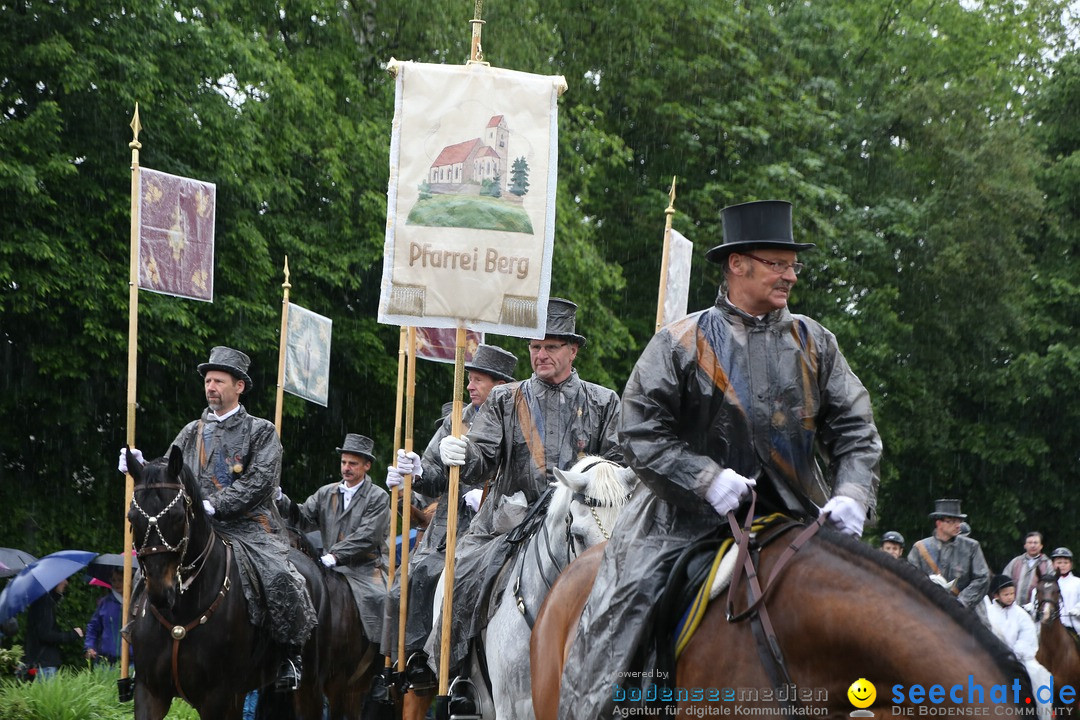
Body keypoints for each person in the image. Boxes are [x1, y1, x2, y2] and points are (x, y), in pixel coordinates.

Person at [558, 199, 883, 718]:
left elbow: (856, 430)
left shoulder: (816, 342)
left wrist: (851, 493)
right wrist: (704, 479)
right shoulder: (680, 341)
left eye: (792, 264)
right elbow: (640, 432)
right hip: (679, 521)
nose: (790, 276)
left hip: (797, 516)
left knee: (879, 601)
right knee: (624, 606)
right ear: (738, 264)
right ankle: (595, 710)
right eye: (778, 263)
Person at [416, 298, 622, 687]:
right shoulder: (504, 399)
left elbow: (617, 466)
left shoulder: (603, 401)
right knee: (458, 579)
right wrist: (461, 453)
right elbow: (481, 458)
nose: (540, 355)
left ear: (573, 350)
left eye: (551, 347)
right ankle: (456, 679)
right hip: (505, 526)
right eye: (534, 347)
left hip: (579, 525)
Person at [119, 346, 316, 690]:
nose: (211, 387)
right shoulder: (191, 431)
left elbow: (261, 480)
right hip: (194, 526)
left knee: (281, 575)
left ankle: (289, 653)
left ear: (239, 386)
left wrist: (218, 504)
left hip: (250, 526)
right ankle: (142, 643)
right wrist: (140, 467)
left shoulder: (261, 431)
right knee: (151, 561)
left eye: (218, 381)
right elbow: (168, 475)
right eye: (208, 380)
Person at [383, 343, 519, 689]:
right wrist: (416, 471)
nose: (469, 387)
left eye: (477, 380)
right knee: (408, 581)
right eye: (469, 379)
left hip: (501, 523)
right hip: (449, 527)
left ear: (500, 384)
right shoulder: (457, 419)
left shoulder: (519, 415)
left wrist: (493, 493)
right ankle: (414, 658)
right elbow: (434, 475)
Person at [278, 433, 390, 653]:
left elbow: (368, 536)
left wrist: (336, 555)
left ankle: (380, 669)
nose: (346, 468)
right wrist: (282, 501)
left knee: (383, 600)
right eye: (344, 462)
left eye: (353, 463)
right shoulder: (326, 492)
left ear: (367, 466)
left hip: (365, 568)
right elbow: (302, 518)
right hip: (330, 567)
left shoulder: (378, 497)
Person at [909, 499, 991, 625]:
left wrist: (960, 603)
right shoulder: (920, 548)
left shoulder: (971, 547)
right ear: (939, 523)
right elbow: (910, 579)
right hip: (928, 612)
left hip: (965, 614)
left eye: (959, 521)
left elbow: (982, 578)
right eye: (952, 521)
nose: (958, 525)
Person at [984, 574, 1052, 718]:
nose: (1010, 597)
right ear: (996, 595)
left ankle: (1042, 713)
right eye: (1006, 594)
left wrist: (1013, 654)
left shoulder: (1021, 614)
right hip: (993, 658)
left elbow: (1028, 637)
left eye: (1012, 593)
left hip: (1018, 658)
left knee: (1039, 676)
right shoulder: (988, 614)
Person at [24, 577, 82, 680]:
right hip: (44, 665)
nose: (66, 583)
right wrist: (72, 635)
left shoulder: (45, 601)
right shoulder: (44, 603)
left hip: (42, 663)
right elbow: (45, 634)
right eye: (64, 579)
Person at [1003, 531, 1052, 611]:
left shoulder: (1047, 564)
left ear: (1041, 546)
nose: (1033, 545)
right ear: (1025, 545)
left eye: (1035, 543)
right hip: (1014, 609)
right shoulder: (1015, 562)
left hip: (1038, 611)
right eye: (1030, 542)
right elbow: (1004, 582)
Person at [84, 569, 124, 666]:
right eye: (113, 580)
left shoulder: (136, 603)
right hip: (105, 661)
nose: (117, 584)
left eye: (120, 580)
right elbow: (92, 627)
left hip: (130, 662)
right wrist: (89, 647)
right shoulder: (105, 603)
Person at [1050, 547, 1080, 633]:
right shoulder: (1048, 582)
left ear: (1071, 564)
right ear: (1053, 564)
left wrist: (1078, 609)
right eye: (1059, 562)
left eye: (1066, 563)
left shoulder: (1077, 582)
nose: (1062, 565)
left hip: (1074, 625)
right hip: (1051, 625)